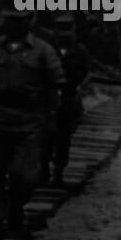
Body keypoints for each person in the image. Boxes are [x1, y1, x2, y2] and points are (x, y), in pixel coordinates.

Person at [0, 7, 65, 240]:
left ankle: (16, 207)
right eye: (10, 19)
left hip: (30, 119)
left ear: (30, 20)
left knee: (23, 174)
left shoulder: (43, 50)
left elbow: (56, 85)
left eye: (20, 20)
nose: (14, 24)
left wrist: (52, 119)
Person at [43, 20, 91, 187]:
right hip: (48, 99)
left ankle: (58, 172)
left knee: (63, 137)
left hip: (69, 98)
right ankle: (44, 170)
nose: (65, 35)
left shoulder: (80, 51)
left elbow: (85, 72)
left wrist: (76, 86)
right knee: (45, 135)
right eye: (61, 31)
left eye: (68, 31)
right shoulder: (47, 49)